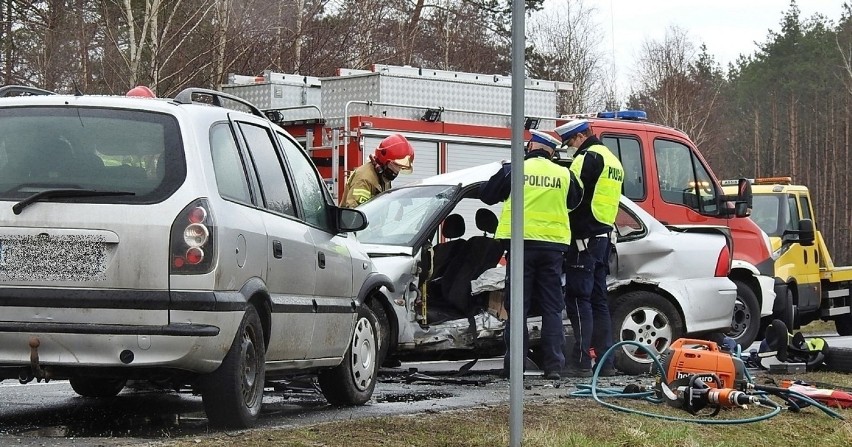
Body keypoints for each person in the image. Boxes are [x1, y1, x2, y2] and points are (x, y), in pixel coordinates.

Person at [480, 129, 582, 380]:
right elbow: (575, 202)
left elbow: (487, 195)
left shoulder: (514, 169)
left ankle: (515, 366)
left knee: (518, 308)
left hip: (521, 247)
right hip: (553, 250)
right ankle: (554, 367)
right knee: (552, 308)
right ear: (551, 152)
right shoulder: (565, 174)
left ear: (531, 147)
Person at [554, 119, 625, 377]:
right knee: (598, 301)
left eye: (572, 142)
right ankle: (606, 362)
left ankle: (582, 361)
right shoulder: (613, 161)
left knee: (577, 299)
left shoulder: (587, 158)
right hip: (603, 238)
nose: (572, 149)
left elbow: (573, 198)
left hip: (583, 239)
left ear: (581, 136)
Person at [340, 133, 414, 208]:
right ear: (384, 160)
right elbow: (355, 212)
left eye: (400, 167)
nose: (397, 170)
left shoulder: (383, 178)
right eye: (396, 165)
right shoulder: (365, 179)